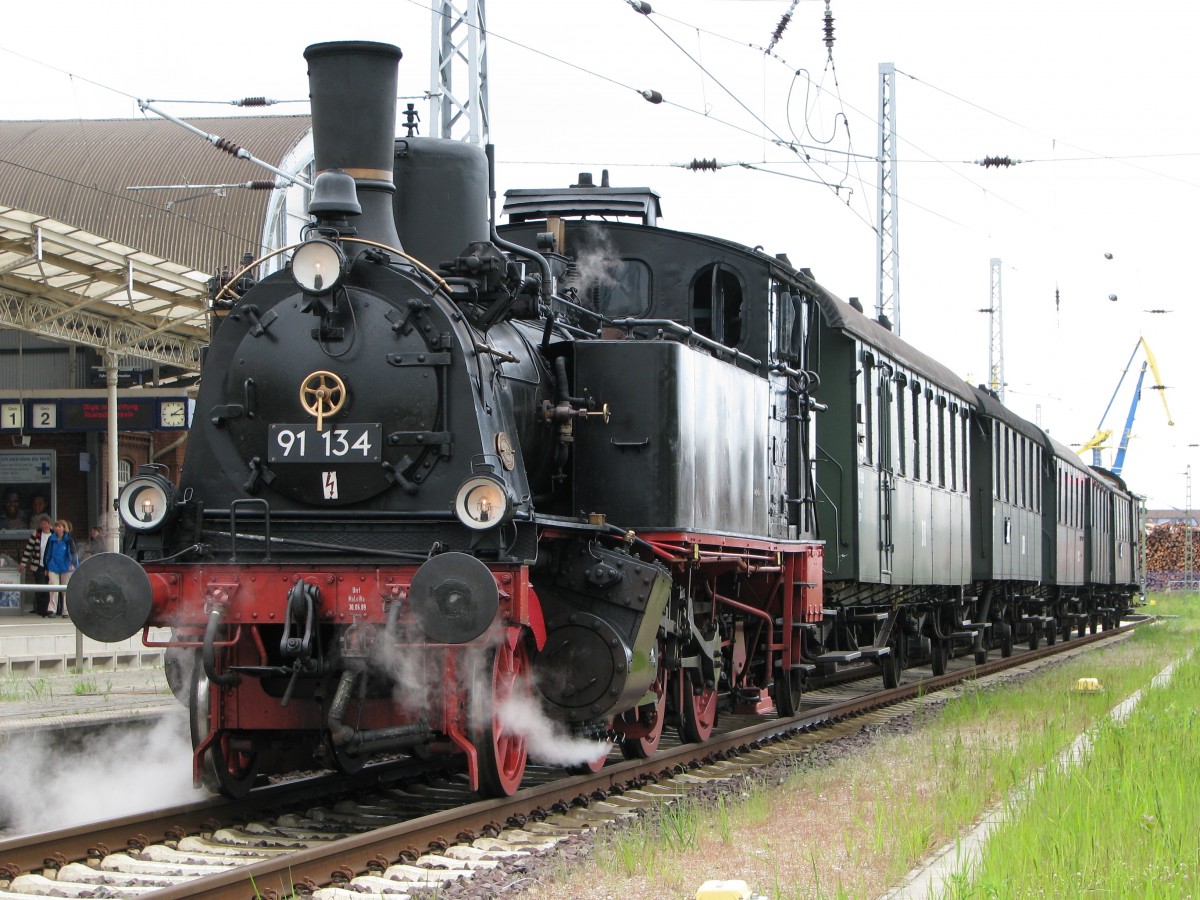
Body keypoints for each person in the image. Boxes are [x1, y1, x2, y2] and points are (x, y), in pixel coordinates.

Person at [43, 519, 79, 618]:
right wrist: (46, 566)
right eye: (56, 526)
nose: (57, 528)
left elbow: (73, 551)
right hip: (53, 565)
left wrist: (73, 563)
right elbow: (47, 553)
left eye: (60, 526)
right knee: (53, 587)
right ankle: (51, 609)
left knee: (65, 588)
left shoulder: (69, 538)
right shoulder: (51, 539)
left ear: (64, 528)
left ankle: (66, 611)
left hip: (66, 565)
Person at [19, 516, 52, 616]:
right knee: (41, 586)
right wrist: (23, 563)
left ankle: (48, 608)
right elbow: (28, 549)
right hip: (38, 565)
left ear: (49, 524)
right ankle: (40, 609)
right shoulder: (36, 534)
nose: (43, 525)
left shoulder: (53, 535)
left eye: (45, 523)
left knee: (49, 587)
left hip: (50, 566)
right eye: (41, 523)